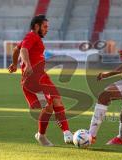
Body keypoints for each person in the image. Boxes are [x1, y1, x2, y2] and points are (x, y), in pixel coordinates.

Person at [8, 15, 73, 147]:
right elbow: (24, 50)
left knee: (57, 100)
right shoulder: (31, 36)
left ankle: (66, 133)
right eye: (45, 26)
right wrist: (27, 64)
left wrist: (14, 64)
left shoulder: (34, 38)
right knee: (48, 107)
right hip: (32, 80)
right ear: (36, 26)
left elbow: (17, 49)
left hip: (42, 77)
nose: (47, 29)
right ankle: (41, 136)